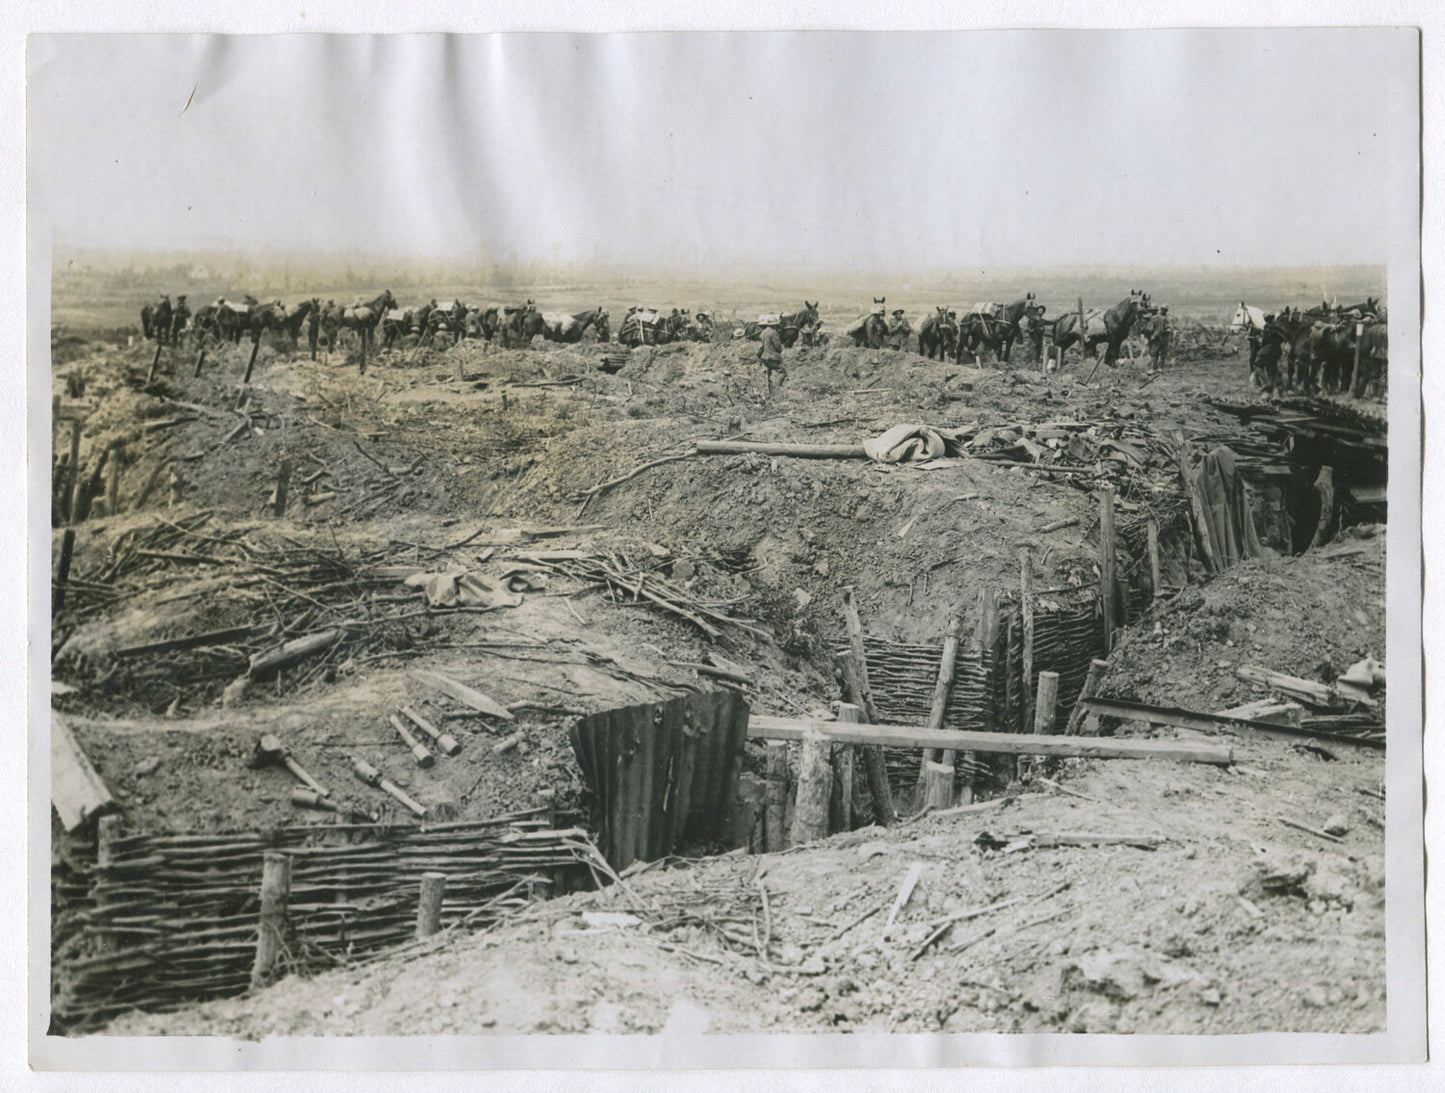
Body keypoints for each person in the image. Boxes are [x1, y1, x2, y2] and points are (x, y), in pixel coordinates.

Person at [757, 314, 785, 394]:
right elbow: (778, 347)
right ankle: (776, 389)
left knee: (768, 375)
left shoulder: (763, 333)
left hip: (764, 357)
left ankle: (769, 391)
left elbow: (761, 347)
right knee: (782, 372)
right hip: (773, 357)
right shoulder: (773, 333)